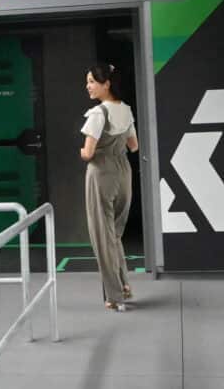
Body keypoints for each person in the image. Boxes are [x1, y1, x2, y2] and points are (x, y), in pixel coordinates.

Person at [80, 63, 139, 312]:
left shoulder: (98, 113)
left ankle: (115, 296)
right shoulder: (125, 110)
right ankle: (124, 285)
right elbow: (134, 146)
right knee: (114, 235)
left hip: (102, 173)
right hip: (123, 172)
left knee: (102, 238)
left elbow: (88, 153)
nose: (88, 86)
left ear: (106, 84)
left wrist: (82, 152)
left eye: (92, 81)